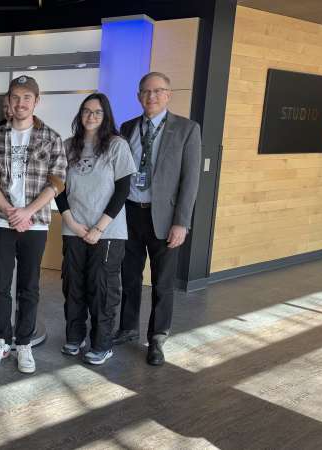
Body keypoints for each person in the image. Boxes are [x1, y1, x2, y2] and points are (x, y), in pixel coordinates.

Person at [0, 75, 67, 374]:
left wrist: (27, 212)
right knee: (1, 284)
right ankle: (2, 339)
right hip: (0, 220)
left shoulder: (51, 138)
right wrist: (9, 210)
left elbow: (57, 182)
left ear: (36, 101)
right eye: (15, 97)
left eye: (27, 97)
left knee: (29, 286)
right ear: (9, 101)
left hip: (36, 223)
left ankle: (24, 343)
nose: (20, 103)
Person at [113, 72, 201, 366]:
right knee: (129, 277)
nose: (151, 97)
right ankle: (127, 328)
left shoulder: (187, 129)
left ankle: (157, 338)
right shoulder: (127, 127)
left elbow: (190, 181)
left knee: (162, 283)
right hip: (130, 214)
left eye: (158, 91)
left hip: (164, 219)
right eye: (146, 92)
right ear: (138, 96)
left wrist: (182, 222)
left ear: (168, 94)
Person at [56, 93, 135, 365]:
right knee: (74, 285)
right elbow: (59, 190)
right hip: (74, 229)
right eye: (86, 111)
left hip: (108, 232)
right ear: (80, 115)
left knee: (102, 288)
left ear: (105, 116)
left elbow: (123, 190)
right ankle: (74, 336)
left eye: (97, 112)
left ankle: (102, 343)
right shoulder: (67, 147)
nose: (91, 116)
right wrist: (73, 224)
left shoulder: (117, 145)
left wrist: (98, 228)